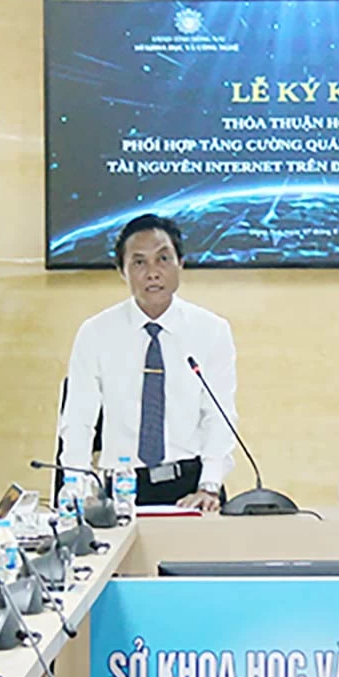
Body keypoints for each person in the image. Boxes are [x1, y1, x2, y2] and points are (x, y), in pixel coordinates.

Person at [56, 213, 236, 511]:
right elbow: (78, 418)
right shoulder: (96, 333)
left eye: (163, 259)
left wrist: (210, 486)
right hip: (120, 488)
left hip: (191, 486)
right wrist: (76, 486)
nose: (153, 272)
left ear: (181, 264)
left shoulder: (212, 330)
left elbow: (218, 416)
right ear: (122, 271)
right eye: (139, 262)